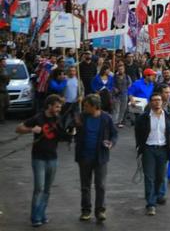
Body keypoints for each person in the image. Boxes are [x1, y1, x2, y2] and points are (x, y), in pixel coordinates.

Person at [16, 95, 67, 227]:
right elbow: (18, 128)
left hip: (53, 158)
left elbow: (62, 136)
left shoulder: (58, 119)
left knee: (47, 189)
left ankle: (42, 214)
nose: (58, 109)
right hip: (39, 158)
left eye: (60, 107)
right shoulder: (38, 118)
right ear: (49, 106)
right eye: (56, 106)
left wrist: (69, 132)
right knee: (39, 188)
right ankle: (35, 217)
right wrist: (31, 129)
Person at [74, 94, 118, 223]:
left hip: (100, 157)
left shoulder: (106, 118)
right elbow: (71, 127)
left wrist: (111, 142)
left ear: (94, 106)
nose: (84, 108)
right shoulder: (82, 117)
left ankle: (100, 211)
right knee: (85, 186)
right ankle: (86, 210)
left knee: (101, 185)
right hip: (84, 157)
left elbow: (114, 134)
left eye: (86, 106)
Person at [135, 93, 170, 216]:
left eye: (159, 100)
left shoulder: (168, 116)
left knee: (160, 177)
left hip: (163, 150)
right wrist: (139, 146)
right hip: (149, 149)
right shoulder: (144, 117)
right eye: (154, 100)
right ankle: (150, 204)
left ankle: (157, 195)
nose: (157, 102)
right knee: (149, 177)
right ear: (150, 103)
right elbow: (138, 132)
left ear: (162, 102)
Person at [112, 62, 132, 128]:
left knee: (123, 109)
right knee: (116, 109)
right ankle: (114, 122)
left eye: (122, 69)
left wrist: (128, 89)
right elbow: (111, 84)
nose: (121, 70)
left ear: (124, 70)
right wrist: (114, 88)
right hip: (116, 95)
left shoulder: (127, 76)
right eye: (119, 69)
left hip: (124, 94)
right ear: (117, 70)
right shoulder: (114, 76)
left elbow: (130, 84)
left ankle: (119, 121)